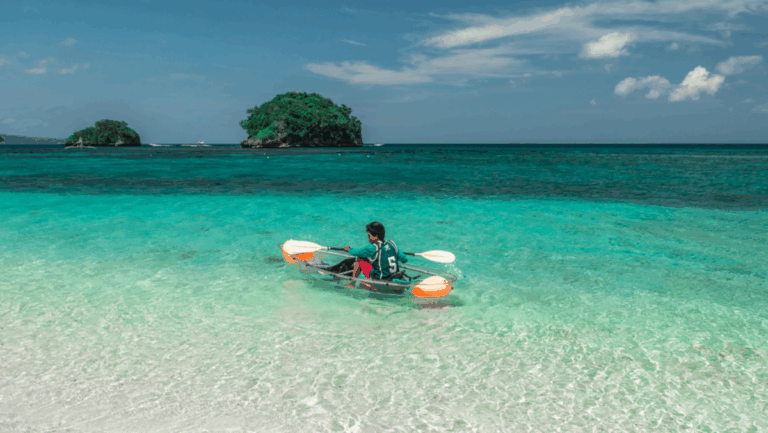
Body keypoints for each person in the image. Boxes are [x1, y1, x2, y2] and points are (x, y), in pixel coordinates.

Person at [325, 222, 408, 286]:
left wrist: (348, 249)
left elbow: (357, 252)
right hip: (393, 279)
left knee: (360, 258)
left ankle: (352, 284)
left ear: (376, 236)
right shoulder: (392, 244)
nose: (368, 238)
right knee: (370, 260)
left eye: (369, 236)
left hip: (380, 281)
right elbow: (404, 260)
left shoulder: (373, 247)